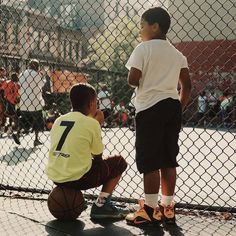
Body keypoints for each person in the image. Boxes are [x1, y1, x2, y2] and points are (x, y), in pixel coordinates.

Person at [125, 7, 191, 225]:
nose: (140, 30)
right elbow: (186, 85)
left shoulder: (143, 49)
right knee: (168, 158)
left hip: (150, 108)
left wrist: (139, 75)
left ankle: (150, 209)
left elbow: (133, 79)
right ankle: (168, 206)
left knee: (150, 161)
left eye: (142, 25)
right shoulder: (177, 54)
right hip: (171, 106)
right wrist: (179, 106)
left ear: (154, 26)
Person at [45, 83, 129, 219]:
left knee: (77, 159)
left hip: (56, 176)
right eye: (96, 102)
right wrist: (98, 125)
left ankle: (77, 200)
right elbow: (97, 156)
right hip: (79, 179)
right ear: (91, 104)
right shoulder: (92, 123)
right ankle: (101, 205)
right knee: (119, 162)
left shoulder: (59, 120)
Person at [12, 59, 45, 146]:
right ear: (36, 66)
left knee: (24, 119)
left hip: (24, 102)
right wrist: (42, 75)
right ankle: (36, 139)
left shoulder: (23, 73)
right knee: (38, 120)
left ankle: (18, 134)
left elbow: (19, 86)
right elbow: (42, 84)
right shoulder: (36, 74)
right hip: (35, 102)